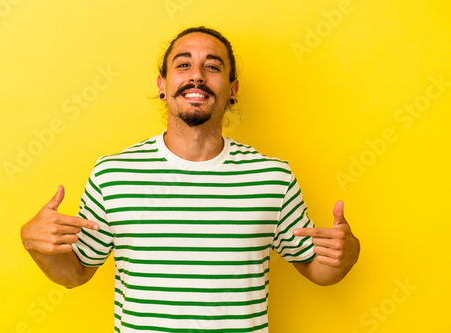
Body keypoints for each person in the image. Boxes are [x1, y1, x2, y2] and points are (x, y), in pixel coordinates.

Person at [21, 26, 360, 332]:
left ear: (232, 89)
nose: (197, 75)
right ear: (162, 86)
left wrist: (345, 255)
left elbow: (318, 271)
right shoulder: (113, 175)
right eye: (183, 65)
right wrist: (35, 244)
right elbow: (75, 274)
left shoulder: (272, 177)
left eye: (212, 67)